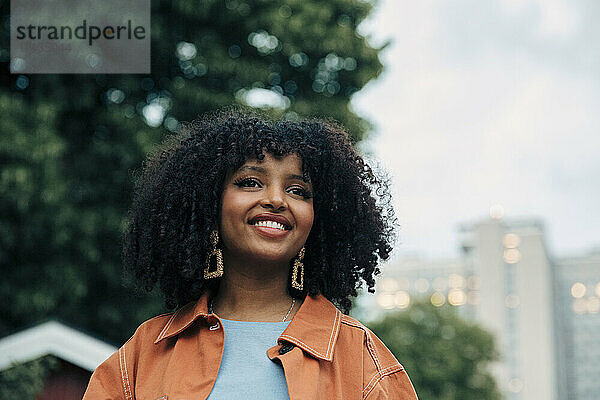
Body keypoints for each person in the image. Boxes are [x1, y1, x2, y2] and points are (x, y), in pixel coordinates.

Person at [83, 110, 418, 399]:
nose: (276, 199)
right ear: (206, 206)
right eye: (250, 183)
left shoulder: (362, 360)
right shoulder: (143, 354)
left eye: (298, 190)